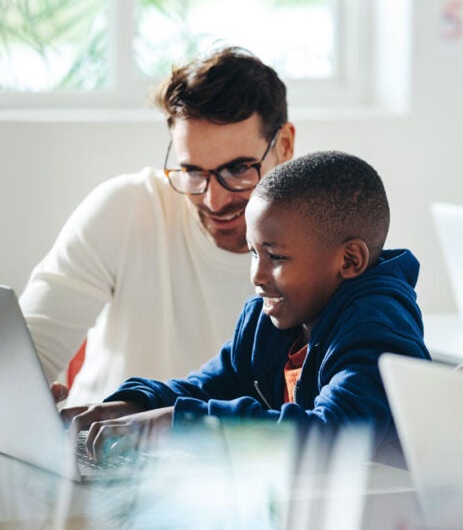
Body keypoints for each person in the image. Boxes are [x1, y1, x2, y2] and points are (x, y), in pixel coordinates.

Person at [62, 151, 431, 461]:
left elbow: (332, 435)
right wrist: (137, 404)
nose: (258, 275)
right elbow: (206, 387)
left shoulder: (376, 330)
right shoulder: (267, 321)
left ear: (349, 260)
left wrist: (183, 425)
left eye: (276, 257)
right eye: (254, 253)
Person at [20, 47, 296, 406]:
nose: (213, 201)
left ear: (285, 145)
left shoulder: (327, 247)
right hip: (97, 447)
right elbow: (28, 350)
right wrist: (24, 399)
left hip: (239, 458)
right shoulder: (128, 209)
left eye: (238, 169)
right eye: (193, 172)